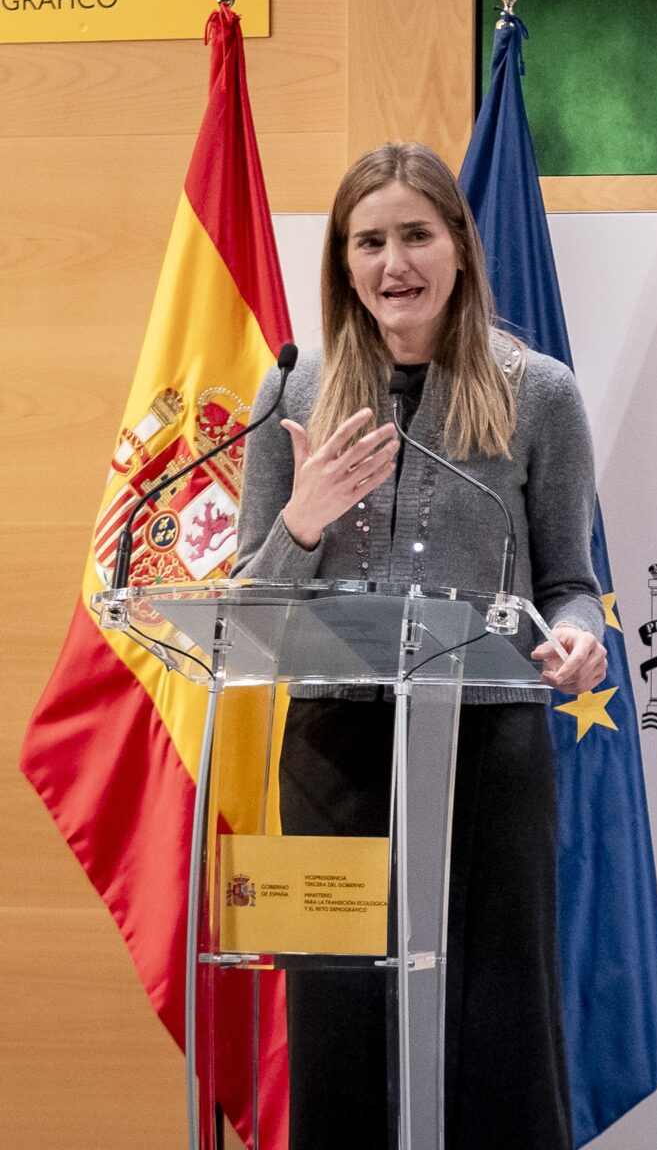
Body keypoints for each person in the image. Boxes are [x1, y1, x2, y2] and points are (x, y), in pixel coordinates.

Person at [233, 141, 606, 1149]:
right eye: (369, 242)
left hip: (488, 750)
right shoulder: (292, 393)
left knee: (496, 1020)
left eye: (415, 236)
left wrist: (579, 639)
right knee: (339, 1025)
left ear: (459, 247)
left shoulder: (541, 394)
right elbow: (247, 611)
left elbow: (569, 582)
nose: (394, 263)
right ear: (343, 263)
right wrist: (303, 518)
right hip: (333, 753)